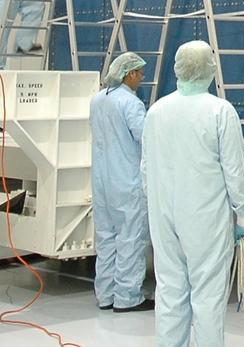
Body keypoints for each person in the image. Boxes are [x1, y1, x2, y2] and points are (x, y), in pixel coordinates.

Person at [143, 41, 244, 347]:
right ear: (210, 69)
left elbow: (145, 169)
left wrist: (156, 204)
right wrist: (243, 216)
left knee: (170, 293)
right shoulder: (220, 112)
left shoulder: (156, 111)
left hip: (164, 217)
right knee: (208, 297)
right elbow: (235, 170)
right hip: (205, 220)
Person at [91, 52, 152, 313]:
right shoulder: (131, 103)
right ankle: (127, 297)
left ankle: (105, 295)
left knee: (106, 238)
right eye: (140, 73)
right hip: (126, 181)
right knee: (131, 238)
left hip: (101, 180)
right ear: (129, 74)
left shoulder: (97, 100)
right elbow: (145, 138)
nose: (142, 78)